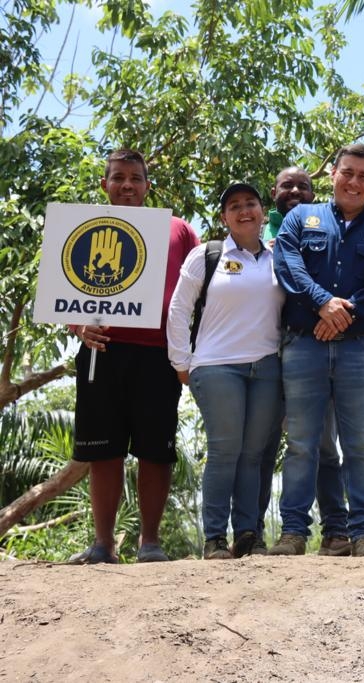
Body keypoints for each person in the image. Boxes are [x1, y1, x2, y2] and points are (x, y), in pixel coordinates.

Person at [271, 143, 364, 557]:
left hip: (361, 351)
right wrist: (321, 303)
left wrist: (344, 311)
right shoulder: (299, 217)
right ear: (333, 174)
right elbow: (287, 263)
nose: (355, 182)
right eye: (348, 172)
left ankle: (363, 534)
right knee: (301, 445)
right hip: (304, 347)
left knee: (361, 446)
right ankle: (294, 532)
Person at [69, 149, 199, 564]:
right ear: (104, 184)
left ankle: (150, 543)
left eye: (136, 178)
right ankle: (103, 543)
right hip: (100, 352)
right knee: (102, 449)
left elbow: (202, 286)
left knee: (155, 449)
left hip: (159, 356)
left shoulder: (179, 230)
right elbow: (63, 289)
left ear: (147, 185)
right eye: (119, 177)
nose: (127, 185)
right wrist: (77, 325)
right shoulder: (82, 227)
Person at [166, 182, 283, 559]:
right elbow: (179, 309)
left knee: (254, 454)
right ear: (224, 217)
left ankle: (248, 534)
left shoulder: (280, 256)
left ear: (264, 212)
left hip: (267, 367)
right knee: (225, 450)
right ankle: (215, 537)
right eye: (234, 205)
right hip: (216, 366)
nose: (244, 210)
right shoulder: (206, 255)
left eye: (251, 203)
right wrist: (181, 362)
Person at [255, 166, 350, 557]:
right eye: (286, 185)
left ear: (316, 192)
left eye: (303, 186)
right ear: (272, 191)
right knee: (261, 447)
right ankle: (250, 531)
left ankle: (336, 530)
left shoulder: (328, 233)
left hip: (313, 348)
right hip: (261, 356)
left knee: (323, 445)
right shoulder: (251, 234)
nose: (295, 190)